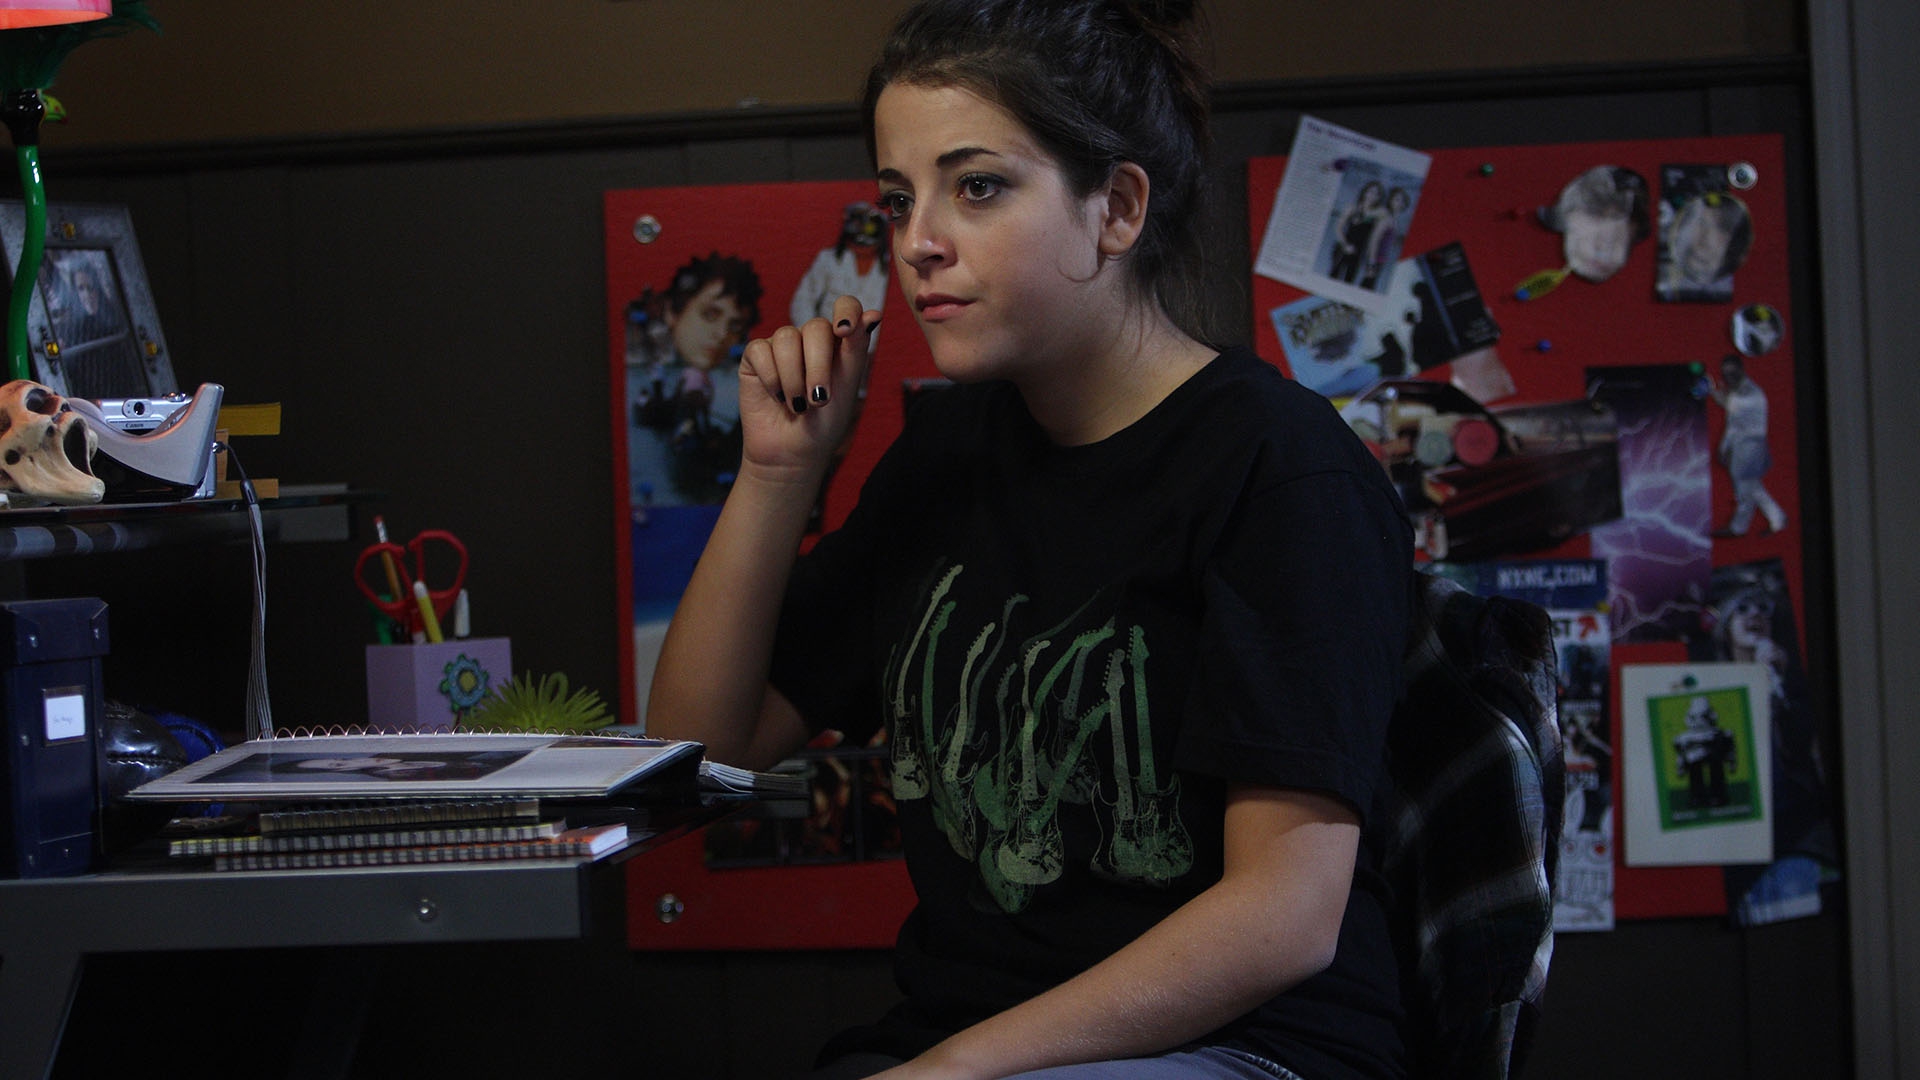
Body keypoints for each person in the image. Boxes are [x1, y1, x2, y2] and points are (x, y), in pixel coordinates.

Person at [649, 2, 1414, 1078]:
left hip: (1244, 1050)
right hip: (985, 1045)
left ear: (1117, 209)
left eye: (977, 187)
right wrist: (779, 474)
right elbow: (694, 759)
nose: (917, 241)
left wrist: (954, 1071)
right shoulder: (948, 455)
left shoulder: (1280, 467)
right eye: (897, 198)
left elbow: (1285, 917)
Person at [1709, 353, 1786, 536]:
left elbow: (1731, 406)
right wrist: (1724, 448)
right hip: (1740, 446)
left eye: (1733, 372)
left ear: (1742, 370)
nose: (1729, 377)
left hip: (1750, 446)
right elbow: (1732, 422)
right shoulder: (1737, 392)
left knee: (1744, 490)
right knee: (1754, 487)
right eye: (1725, 373)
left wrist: (1712, 390)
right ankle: (1778, 518)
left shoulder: (1752, 393)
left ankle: (1738, 528)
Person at [1326, 180, 1385, 284]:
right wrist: (1345, 245)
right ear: (1365, 192)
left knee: (1349, 280)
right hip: (1344, 248)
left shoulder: (1378, 214)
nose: (1372, 196)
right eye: (1371, 191)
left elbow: (1374, 238)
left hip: (1359, 252)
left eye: (1377, 194)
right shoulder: (1353, 208)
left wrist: (1371, 261)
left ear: (1379, 197)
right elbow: (1338, 227)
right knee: (1333, 276)